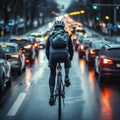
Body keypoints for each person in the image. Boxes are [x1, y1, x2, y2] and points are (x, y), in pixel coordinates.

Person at [45, 20, 74, 106]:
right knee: (67, 58)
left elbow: (46, 49)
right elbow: (71, 49)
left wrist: (49, 58)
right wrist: (70, 58)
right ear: (63, 27)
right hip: (64, 55)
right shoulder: (67, 35)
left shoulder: (50, 36)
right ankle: (66, 77)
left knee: (52, 74)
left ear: (54, 27)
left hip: (53, 56)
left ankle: (51, 96)